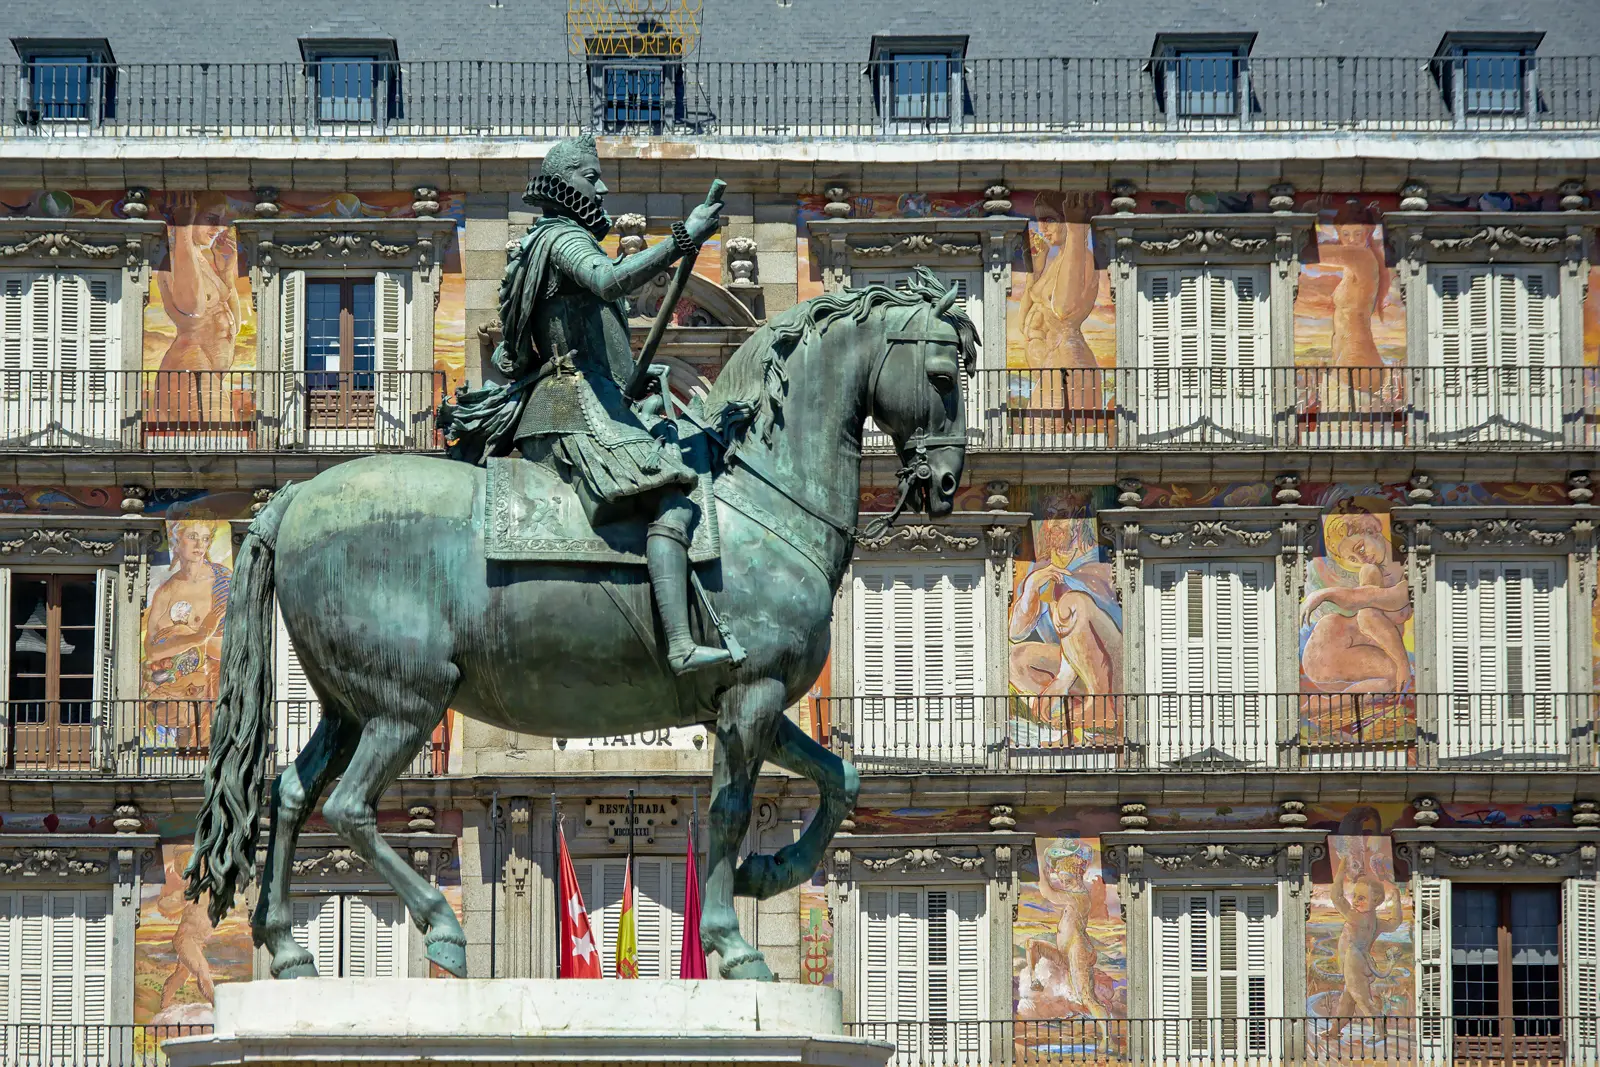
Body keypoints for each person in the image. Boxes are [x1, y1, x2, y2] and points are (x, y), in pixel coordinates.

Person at [474, 135, 729, 675]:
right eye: (592, 177)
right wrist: (685, 237)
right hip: (573, 409)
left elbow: (602, 350)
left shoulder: (545, 244)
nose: (604, 185)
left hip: (587, 400)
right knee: (676, 501)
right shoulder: (562, 240)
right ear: (567, 183)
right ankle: (679, 645)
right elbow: (610, 280)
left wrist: (636, 381)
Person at [1301, 513, 1412, 695]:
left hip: (1347, 646)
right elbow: (1367, 616)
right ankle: (1322, 705)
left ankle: (1322, 704)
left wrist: (1324, 594)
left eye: (1359, 550)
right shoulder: (1371, 571)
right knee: (1395, 675)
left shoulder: (1406, 570)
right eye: (1353, 559)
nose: (1361, 560)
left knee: (1392, 680)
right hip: (1331, 645)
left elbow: (1385, 597)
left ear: (1372, 530)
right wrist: (1403, 664)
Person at [155, 193, 240, 423]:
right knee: (219, 443)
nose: (218, 228)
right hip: (190, 369)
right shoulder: (174, 259)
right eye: (211, 219)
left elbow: (235, 325)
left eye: (222, 221)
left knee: (223, 443)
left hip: (207, 373)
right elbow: (193, 309)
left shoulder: (200, 258)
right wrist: (183, 228)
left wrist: (226, 274)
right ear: (190, 215)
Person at [145, 521, 232, 746]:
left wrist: (182, 640)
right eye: (192, 536)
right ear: (176, 541)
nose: (199, 544)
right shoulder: (165, 591)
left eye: (205, 539)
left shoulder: (223, 581)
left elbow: (230, 648)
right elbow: (152, 651)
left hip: (209, 691)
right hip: (173, 694)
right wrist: (198, 636)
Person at [1327, 843, 1402, 1038]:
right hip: (1360, 960)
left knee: (1361, 998)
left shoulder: (1357, 917)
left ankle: (1379, 1031)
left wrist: (1342, 867)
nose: (1355, 901)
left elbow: (1336, 896)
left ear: (1376, 900)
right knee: (1347, 1000)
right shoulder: (1375, 922)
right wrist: (1397, 902)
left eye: (1361, 898)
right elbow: (1395, 923)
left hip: (1353, 959)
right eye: (1355, 896)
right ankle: (1335, 1031)